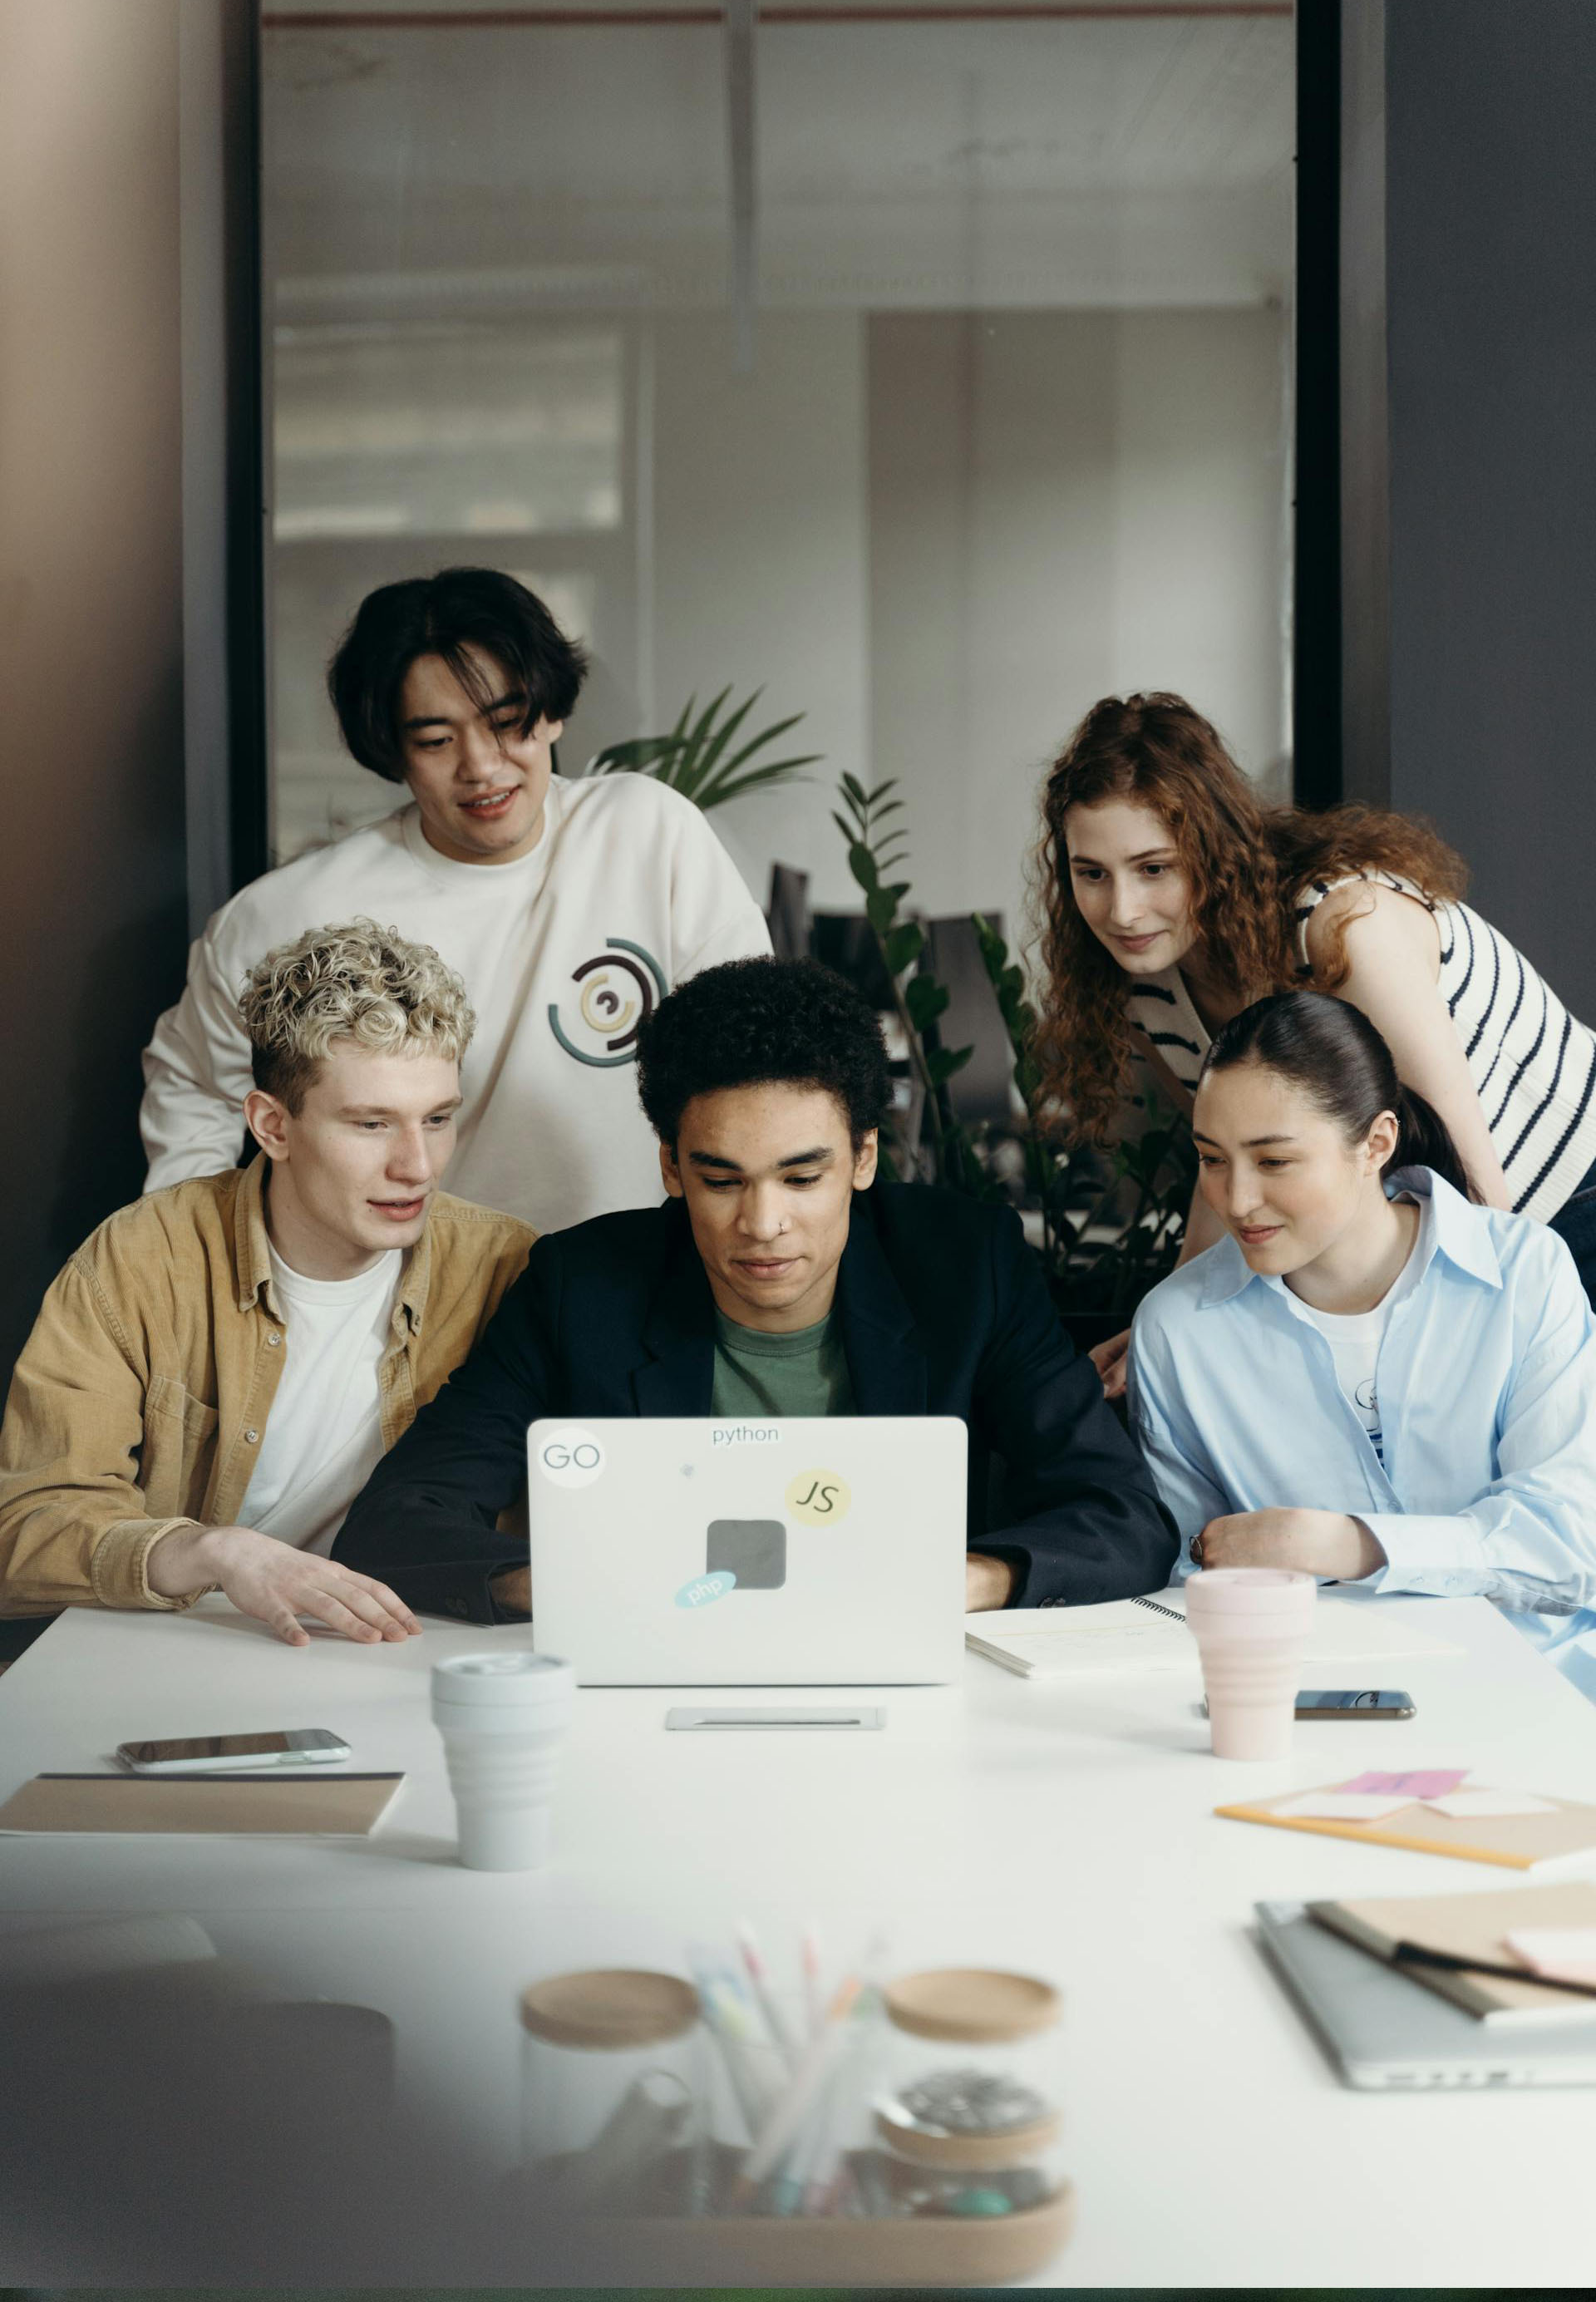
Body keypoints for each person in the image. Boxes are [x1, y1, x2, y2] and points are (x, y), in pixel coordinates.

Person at [333, 956, 1179, 1621]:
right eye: (723, 1181)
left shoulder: (965, 1267)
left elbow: (1120, 1515)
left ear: (864, 1158)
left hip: (901, 1670)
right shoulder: (582, 1285)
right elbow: (400, 1520)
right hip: (656, 1669)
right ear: (672, 1168)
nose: (763, 1222)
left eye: (802, 1178)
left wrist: (963, 1581)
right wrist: (573, 1590)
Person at [141, 567, 771, 1230]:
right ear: (393, 753)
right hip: (420, 1300)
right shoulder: (298, 910)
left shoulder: (650, 832)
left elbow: (759, 1058)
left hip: (631, 1285)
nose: (482, 766)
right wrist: (199, 1263)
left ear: (552, 714)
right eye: (437, 741)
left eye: (506, 723)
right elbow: (192, 1084)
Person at [1035, 693, 1596, 1393]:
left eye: (1155, 868)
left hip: (1565, 1202)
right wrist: (1167, 1326)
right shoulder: (1146, 981)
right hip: (1457, 1232)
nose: (1121, 910)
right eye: (1092, 873)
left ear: (1212, 852)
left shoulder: (1342, 927)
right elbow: (1235, 1152)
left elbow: (1484, 1204)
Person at [0, 921, 533, 1649]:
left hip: (422, 1648)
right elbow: (24, 1532)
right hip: (192, 1645)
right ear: (272, 1126)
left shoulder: (510, 1267)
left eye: (437, 1119)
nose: (419, 1167)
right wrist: (214, 1551)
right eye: (372, 1123)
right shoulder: (141, 1260)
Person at [1128, 991, 1596, 1699]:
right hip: (1310, 1707)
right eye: (1212, 1159)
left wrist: (1345, 1545)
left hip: (1539, 1690)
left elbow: (1566, 1544)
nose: (1237, 1199)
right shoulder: (1176, 1329)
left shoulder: (1526, 1273)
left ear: (1376, 1144)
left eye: (1274, 1161)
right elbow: (1193, 1579)